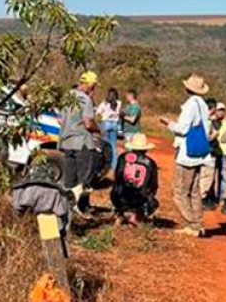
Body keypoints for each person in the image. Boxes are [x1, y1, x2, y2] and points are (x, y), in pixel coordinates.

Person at [161, 74, 212, 237]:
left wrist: (168, 123)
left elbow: (182, 128)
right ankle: (197, 222)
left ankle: (193, 224)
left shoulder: (190, 105)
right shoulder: (203, 104)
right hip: (199, 152)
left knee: (179, 191)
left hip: (187, 153)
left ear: (187, 88)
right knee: (194, 190)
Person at [59, 71, 101, 211]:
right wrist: (98, 129)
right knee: (84, 178)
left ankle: (67, 207)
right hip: (82, 143)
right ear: (89, 85)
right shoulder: (86, 100)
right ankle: (81, 207)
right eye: (93, 86)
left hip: (66, 142)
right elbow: (88, 123)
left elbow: (60, 120)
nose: (94, 89)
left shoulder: (67, 96)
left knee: (70, 178)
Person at [110, 133, 160, 225]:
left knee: (117, 189)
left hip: (119, 197)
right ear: (146, 149)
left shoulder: (122, 157)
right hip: (139, 198)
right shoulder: (151, 163)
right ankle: (136, 216)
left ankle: (120, 214)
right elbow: (153, 185)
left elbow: (117, 177)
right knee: (154, 203)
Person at [96, 88, 122, 177]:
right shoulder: (119, 103)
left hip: (105, 123)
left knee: (103, 146)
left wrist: (99, 122)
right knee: (113, 146)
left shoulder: (104, 103)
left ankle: (103, 165)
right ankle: (113, 167)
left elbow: (98, 113)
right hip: (114, 124)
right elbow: (118, 113)